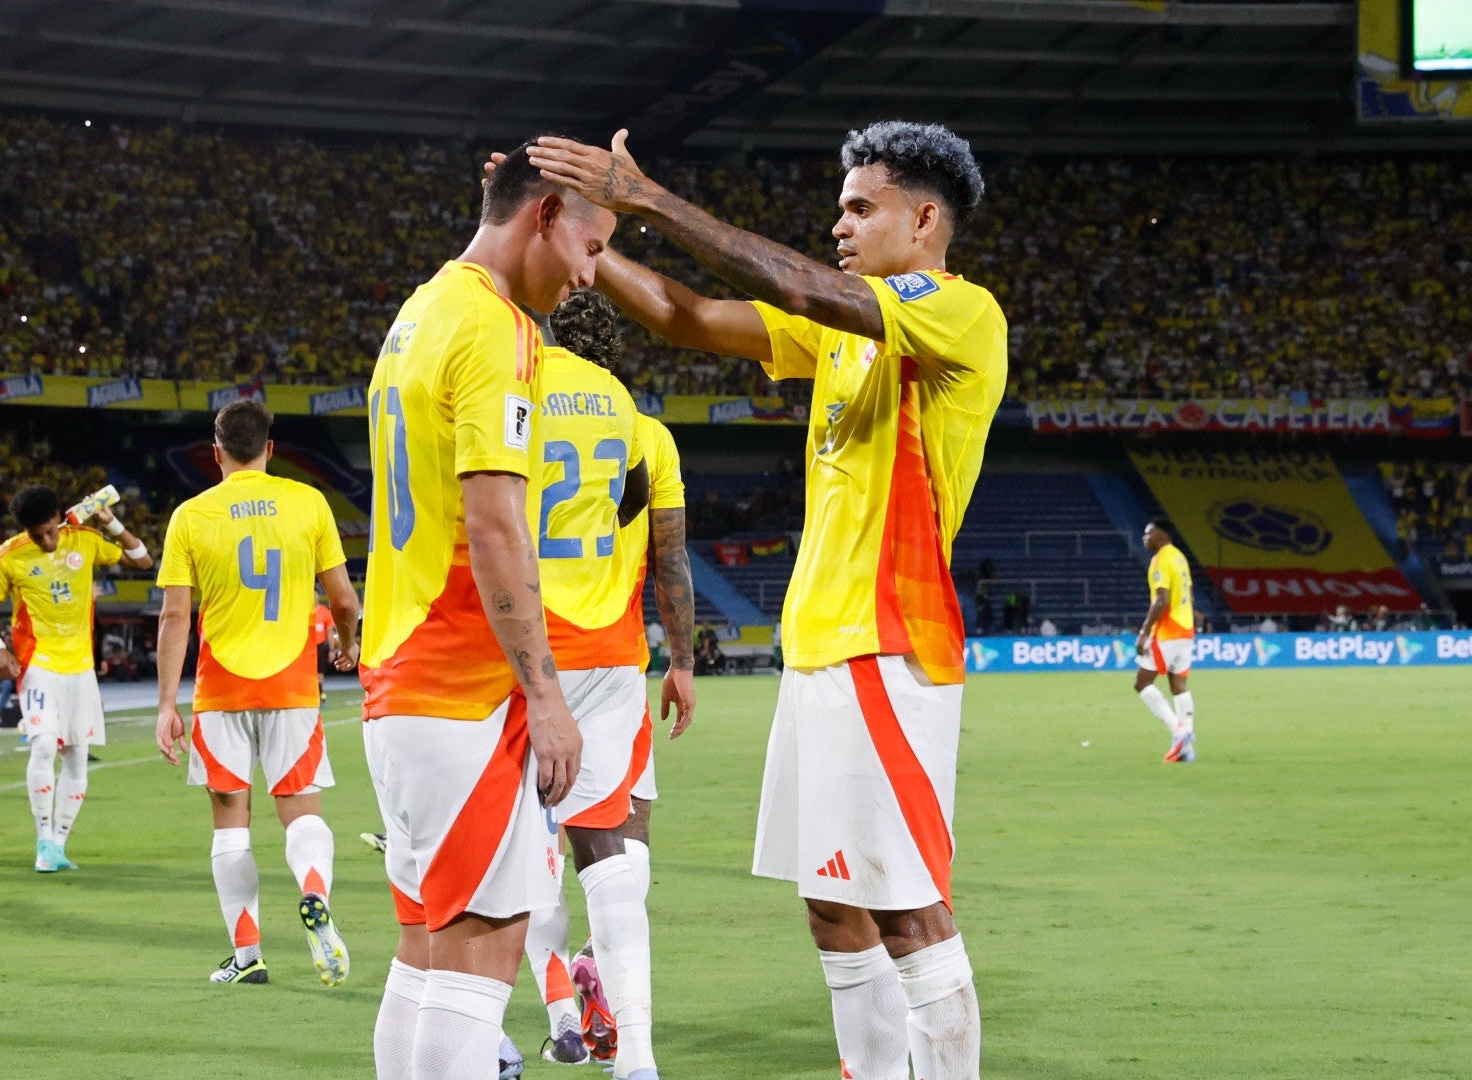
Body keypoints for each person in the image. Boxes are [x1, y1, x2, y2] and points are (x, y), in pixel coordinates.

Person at [526, 120, 1003, 1079]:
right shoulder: (844, 328)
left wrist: (648, 199)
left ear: (923, 218)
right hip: (819, 653)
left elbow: (800, 286)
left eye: (860, 208)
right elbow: (688, 318)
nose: (840, 225)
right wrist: (579, 237)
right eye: (838, 208)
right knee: (833, 903)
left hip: (889, 647)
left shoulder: (962, 314)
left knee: (909, 907)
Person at [360, 140, 603, 1080]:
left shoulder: (420, 312)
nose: (590, 277)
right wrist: (546, 695)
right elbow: (496, 525)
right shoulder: (498, 329)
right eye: (589, 247)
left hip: (403, 680)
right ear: (543, 217)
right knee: (483, 946)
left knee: (427, 947)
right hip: (460, 684)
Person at [502, 289, 664, 1071]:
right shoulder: (620, 399)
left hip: (527, 649)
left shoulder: (522, 382)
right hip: (608, 653)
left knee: (523, 852)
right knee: (614, 860)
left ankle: (551, 1016)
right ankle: (637, 1058)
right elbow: (631, 498)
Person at [154, 400, 362, 987]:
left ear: (215, 451)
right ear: (270, 450)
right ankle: (315, 895)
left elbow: (174, 616)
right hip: (293, 687)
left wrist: (167, 703)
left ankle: (247, 956)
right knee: (301, 812)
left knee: (231, 825)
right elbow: (345, 601)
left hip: (221, 692)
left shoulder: (190, 516)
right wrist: (346, 643)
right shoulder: (309, 503)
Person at [0, 484, 153, 872]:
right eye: (37, 535)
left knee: (76, 757)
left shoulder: (85, 538)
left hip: (81, 669)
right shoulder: (10, 555)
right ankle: (42, 841)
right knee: (41, 745)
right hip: (38, 664)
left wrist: (112, 522)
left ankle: (58, 844)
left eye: (50, 530)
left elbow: (142, 561)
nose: (47, 540)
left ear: (59, 516)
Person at [1133, 519, 1196, 764]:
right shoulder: (1180, 557)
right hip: (1186, 630)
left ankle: (1178, 732)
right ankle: (1188, 744)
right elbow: (1189, 594)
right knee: (1178, 685)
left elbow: (1161, 599)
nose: (1144, 537)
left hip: (1168, 632)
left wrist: (1145, 632)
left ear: (1161, 534)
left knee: (1142, 682)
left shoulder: (1161, 559)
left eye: (1148, 533)